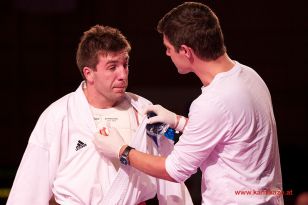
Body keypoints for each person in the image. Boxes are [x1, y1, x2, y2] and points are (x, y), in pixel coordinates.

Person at [93, 2, 284, 205]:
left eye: (168, 48)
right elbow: (232, 134)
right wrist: (178, 122)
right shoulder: (250, 76)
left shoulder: (212, 101)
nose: (167, 54)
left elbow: (175, 170)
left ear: (185, 51)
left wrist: (122, 150)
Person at [6, 25, 193, 205]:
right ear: (89, 73)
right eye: (112, 67)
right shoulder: (58, 116)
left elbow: (170, 177)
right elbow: (29, 190)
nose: (123, 74)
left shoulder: (144, 110)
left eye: (125, 64)